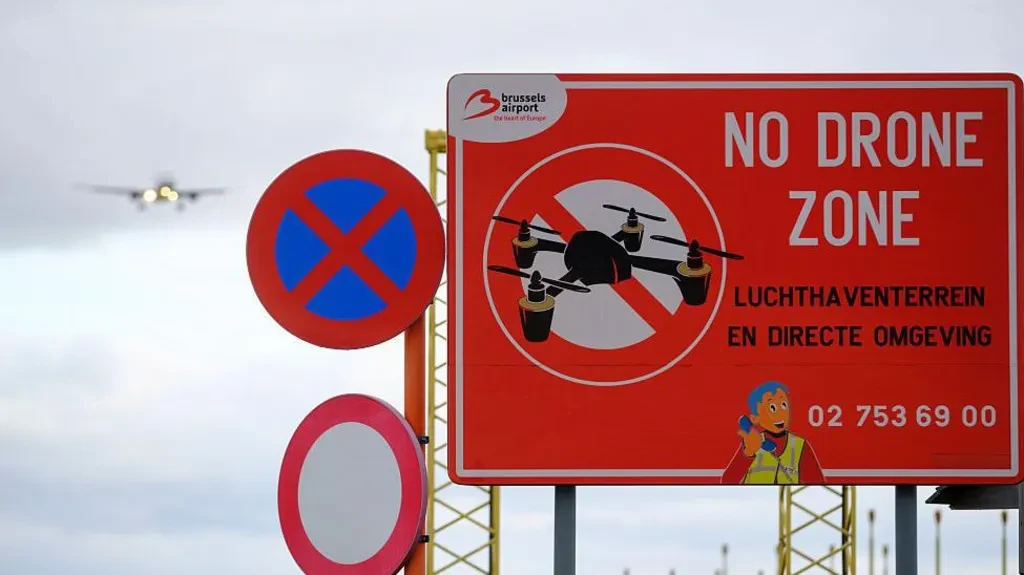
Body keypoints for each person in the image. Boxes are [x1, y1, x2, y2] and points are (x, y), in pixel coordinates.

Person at [721, 380, 824, 484]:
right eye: (772, 408)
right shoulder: (750, 442)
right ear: (755, 418)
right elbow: (727, 480)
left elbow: (817, 483)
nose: (781, 413)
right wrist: (748, 454)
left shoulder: (800, 446)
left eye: (784, 405)